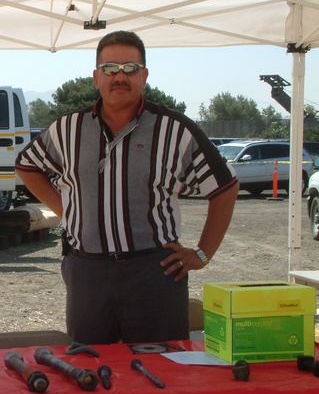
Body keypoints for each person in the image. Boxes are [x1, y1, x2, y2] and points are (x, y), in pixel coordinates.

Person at [16, 31, 239, 345]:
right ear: (97, 77)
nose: (120, 76)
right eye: (110, 68)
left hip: (154, 273)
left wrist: (202, 253)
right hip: (87, 272)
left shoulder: (175, 129)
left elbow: (225, 186)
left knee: (161, 365)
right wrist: (70, 213)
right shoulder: (67, 128)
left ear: (144, 76)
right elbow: (27, 166)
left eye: (130, 68)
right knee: (91, 364)